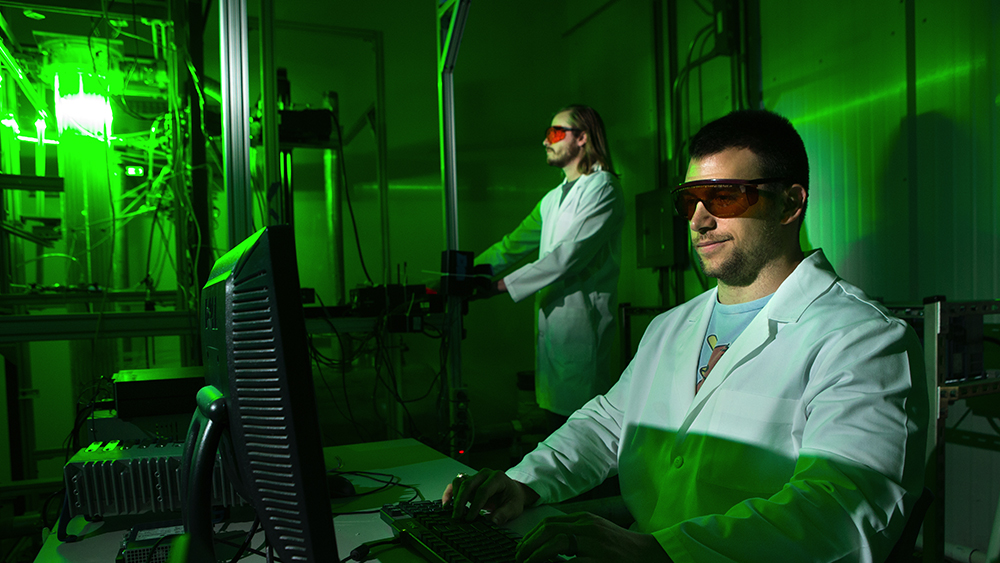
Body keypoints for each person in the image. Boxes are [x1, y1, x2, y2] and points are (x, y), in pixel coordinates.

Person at [445, 109, 928, 563]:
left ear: (790, 202)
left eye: (725, 196)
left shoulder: (862, 339)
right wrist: (523, 483)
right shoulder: (671, 327)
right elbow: (608, 425)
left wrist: (659, 553)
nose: (699, 219)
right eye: (689, 200)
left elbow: (839, 511)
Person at [474, 104, 625, 430]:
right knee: (554, 427)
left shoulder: (604, 189)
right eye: (547, 134)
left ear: (582, 137)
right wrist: (465, 272)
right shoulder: (553, 198)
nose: (546, 141)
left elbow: (566, 257)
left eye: (556, 133)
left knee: (582, 436)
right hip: (554, 334)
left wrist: (498, 286)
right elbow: (512, 245)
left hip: (582, 329)